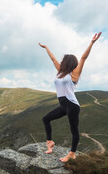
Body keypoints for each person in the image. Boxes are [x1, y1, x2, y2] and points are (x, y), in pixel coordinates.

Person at [38, 32, 101, 162]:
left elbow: (83, 58)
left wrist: (92, 43)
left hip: (72, 105)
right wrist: (46, 48)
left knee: (74, 130)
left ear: (68, 62)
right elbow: (53, 59)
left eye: (63, 60)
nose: (60, 61)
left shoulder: (74, 74)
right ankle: (49, 142)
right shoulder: (60, 71)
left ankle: (72, 153)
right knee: (46, 119)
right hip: (63, 105)